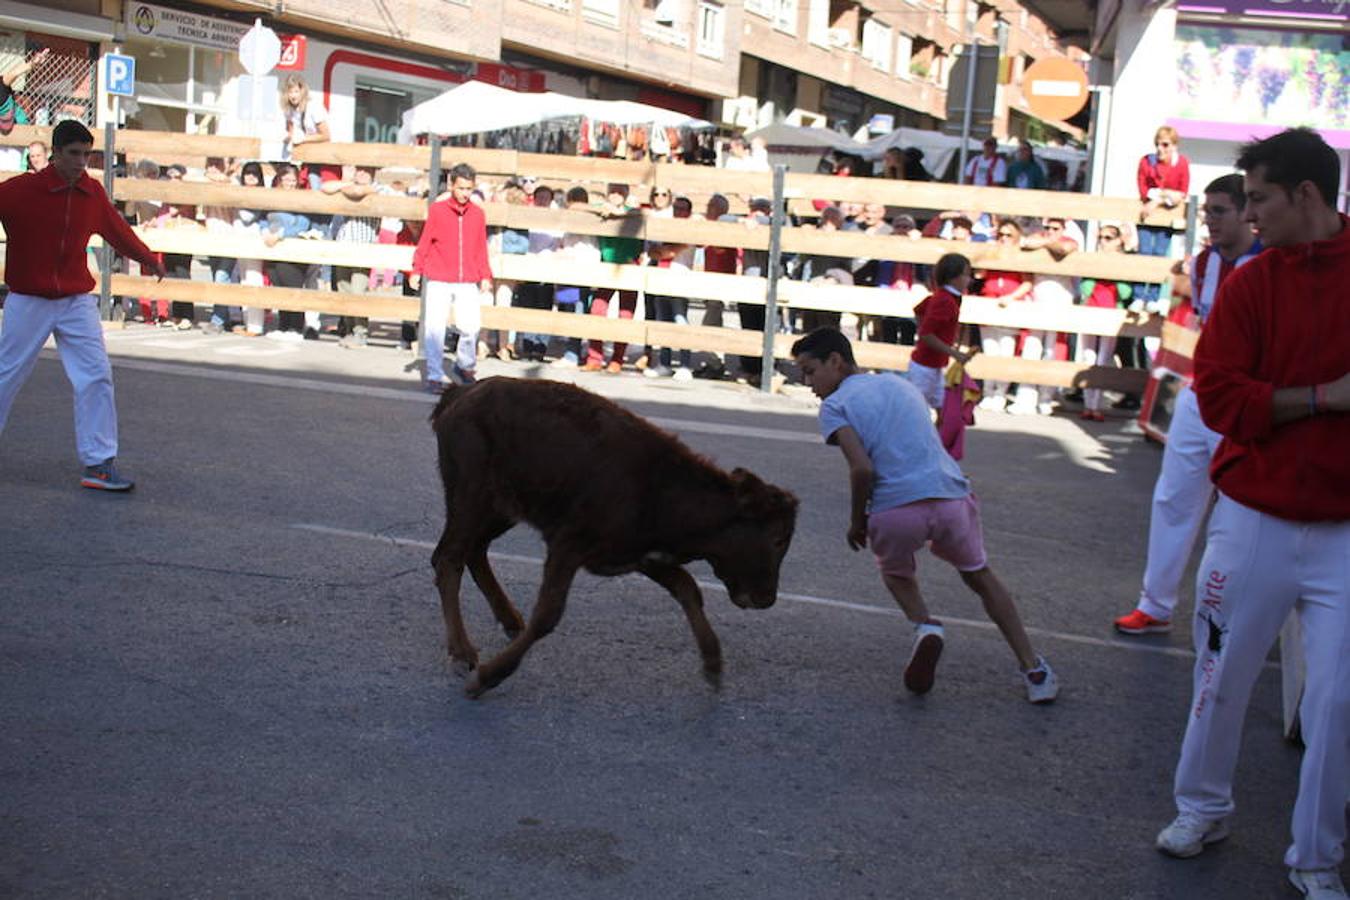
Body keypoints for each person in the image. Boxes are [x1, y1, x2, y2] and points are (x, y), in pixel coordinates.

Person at [1154, 128, 1348, 900]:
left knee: (1338, 699)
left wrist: (1278, 407)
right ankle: (1201, 807)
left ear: (1306, 195)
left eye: (1260, 198)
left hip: (1341, 528)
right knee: (1219, 673)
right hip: (1253, 513)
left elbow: (1240, 398)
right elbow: (1220, 396)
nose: (1250, 215)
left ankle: (1317, 856)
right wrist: (1321, 400)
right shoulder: (1251, 283)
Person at [791, 327, 1058, 703]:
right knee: (980, 576)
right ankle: (1034, 670)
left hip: (894, 510)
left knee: (897, 575)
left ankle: (924, 625)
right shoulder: (901, 386)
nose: (806, 382)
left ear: (835, 362)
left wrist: (857, 520)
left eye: (809, 370)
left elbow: (862, 470)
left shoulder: (834, 407)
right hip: (949, 496)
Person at [1113, 176, 1261, 633]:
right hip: (1202, 394)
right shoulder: (1200, 266)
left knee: (1239, 511)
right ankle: (1155, 604)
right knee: (1174, 497)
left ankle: (1225, 617)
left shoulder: (1268, 264)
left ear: (1243, 213)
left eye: (1219, 211)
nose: (1210, 221)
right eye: (1207, 212)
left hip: (1244, 401)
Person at [0, 119, 166, 491]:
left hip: (75, 300)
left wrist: (148, 258)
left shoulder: (91, 193)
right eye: (73, 154)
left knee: (96, 375)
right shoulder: (18, 191)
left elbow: (117, 230)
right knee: (5, 375)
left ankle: (99, 464)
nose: (80, 162)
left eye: (86, 154)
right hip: (29, 299)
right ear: (54, 154)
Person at [413, 162, 492, 391]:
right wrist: (417, 268)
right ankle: (435, 375)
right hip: (439, 276)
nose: (465, 194)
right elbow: (426, 240)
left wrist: (485, 274)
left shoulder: (478, 214)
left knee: (471, 326)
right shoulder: (438, 210)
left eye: (469, 189)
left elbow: (480, 247)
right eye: (461, 188)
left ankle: (465, 364)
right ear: (451, 185)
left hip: (467, 278)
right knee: (435, 328)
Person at [1075, 223, 1135, 421]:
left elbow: (1126, 292)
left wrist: (1115, 272)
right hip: (1092, 311)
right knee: (1088, 358)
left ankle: (1097, 406)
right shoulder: (1093, 260)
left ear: (1118, 242)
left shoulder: (1124, 262)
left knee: (1103, 359)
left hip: (1111, 314)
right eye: (1101, 238)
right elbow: (1085, 288)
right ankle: (1088, 405)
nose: (1103, 242)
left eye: (1108, 238)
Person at [907, 252, 976, 412]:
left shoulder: (942, 297)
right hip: (926, 366)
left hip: (932, 364)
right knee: (919, 409)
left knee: (940, 407)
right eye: (966, 274)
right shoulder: (945, 300)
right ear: (953, 277)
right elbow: (926, 334)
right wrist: (954, 353)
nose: (969, 279)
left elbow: (919, 310)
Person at [584, 183, 641, 373]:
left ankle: (617, 359)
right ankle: (595, 357)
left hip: (629, 265)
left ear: (626, 195)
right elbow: (578, 208)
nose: (615, 195)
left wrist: (619, 214)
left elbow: (644, 215)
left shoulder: (633, 211)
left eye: (620, 192)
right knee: (597, 309)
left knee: (625, 314)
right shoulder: (602, 210)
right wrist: (602, 208)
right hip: (606, 266)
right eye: (613, 192)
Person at [1135, 126, 1190, 306]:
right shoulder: (1147, 161)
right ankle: (1139, 295)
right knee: (1144, 252)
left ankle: (1153, 296)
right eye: (1158, 144)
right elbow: (1143, 188)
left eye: (1165, 145)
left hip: (1165, 215)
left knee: (1159, 253)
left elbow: (1182, 191)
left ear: (1174, 146)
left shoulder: (1181, 163)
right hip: (1147, 214)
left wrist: (1158, 199)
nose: (1161, 149)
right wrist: (1165, 195)